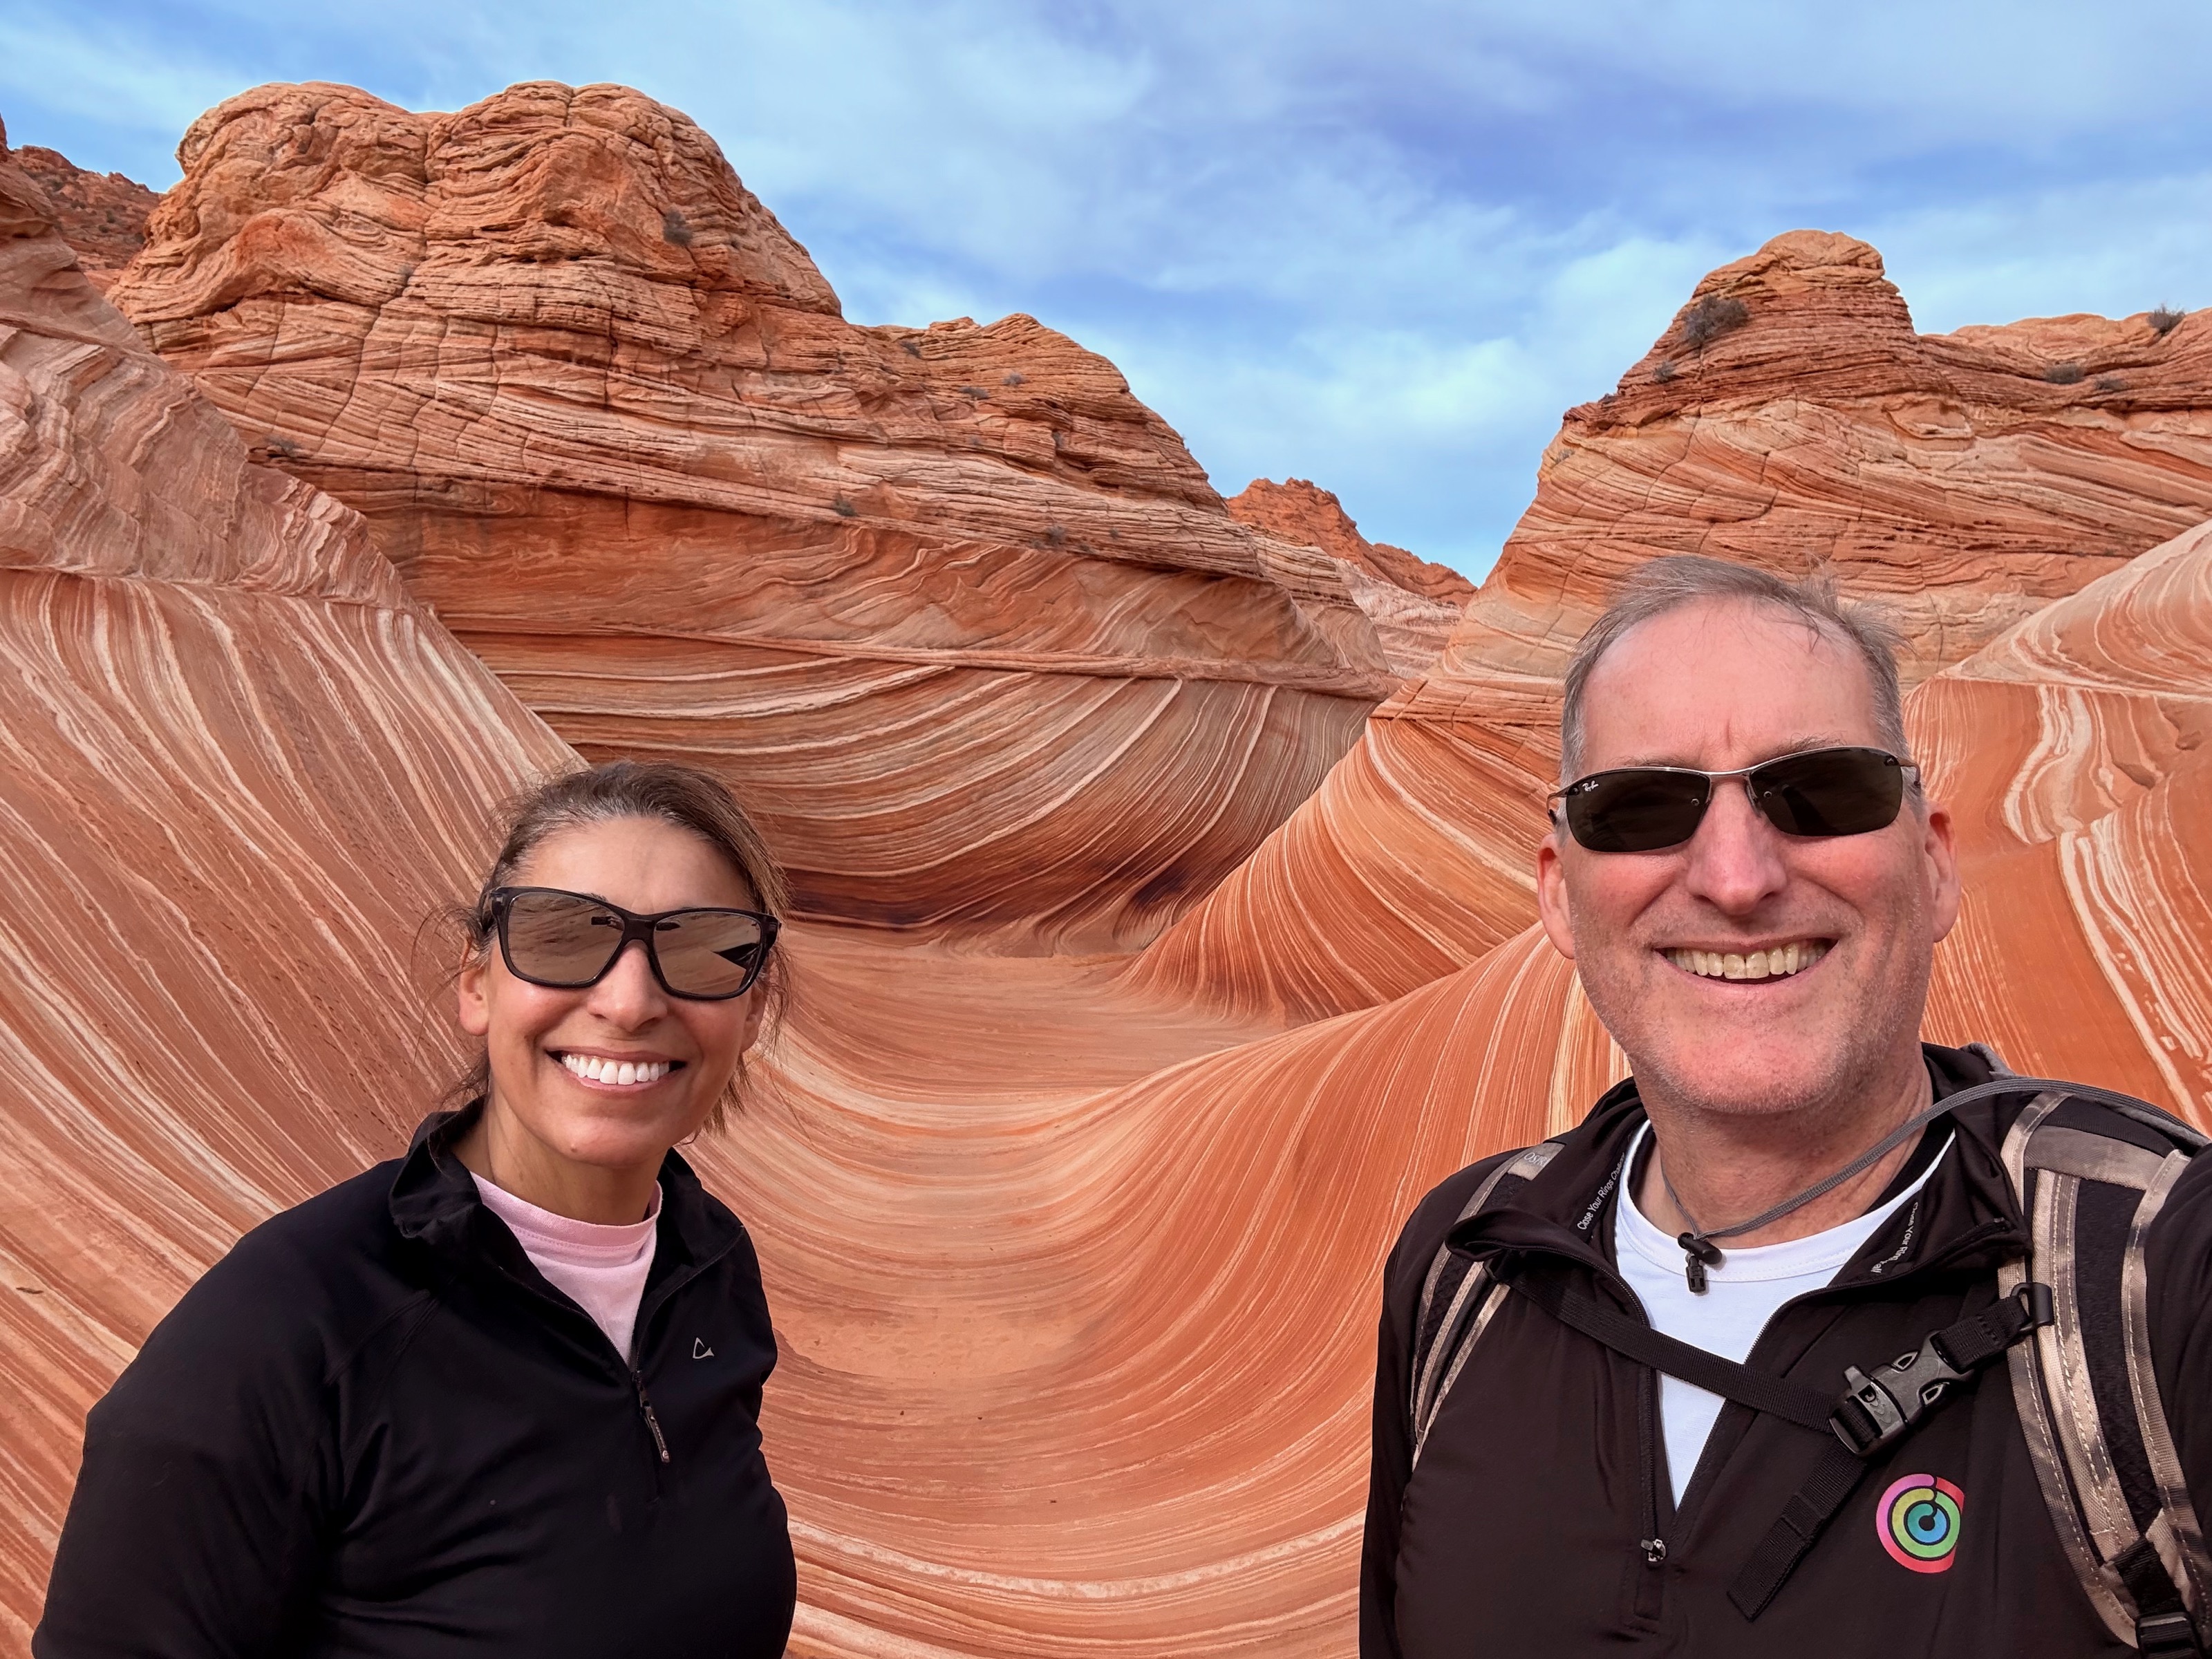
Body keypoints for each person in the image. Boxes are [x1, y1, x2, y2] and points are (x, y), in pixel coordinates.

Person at [1360, 556, 2212, 1656]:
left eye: (1822, 790)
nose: (1735, 875)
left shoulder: (2158, 1271)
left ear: (1936, 865)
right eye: (1641, 807)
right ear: (1557, 893)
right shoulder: (1468, 1264)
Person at [36, 760, 799, 1658]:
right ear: (477, 983)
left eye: (701, 948)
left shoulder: (706, 1266)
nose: (629, 1001)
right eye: (561, 936)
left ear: (750, 1005)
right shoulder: (288, 1332)